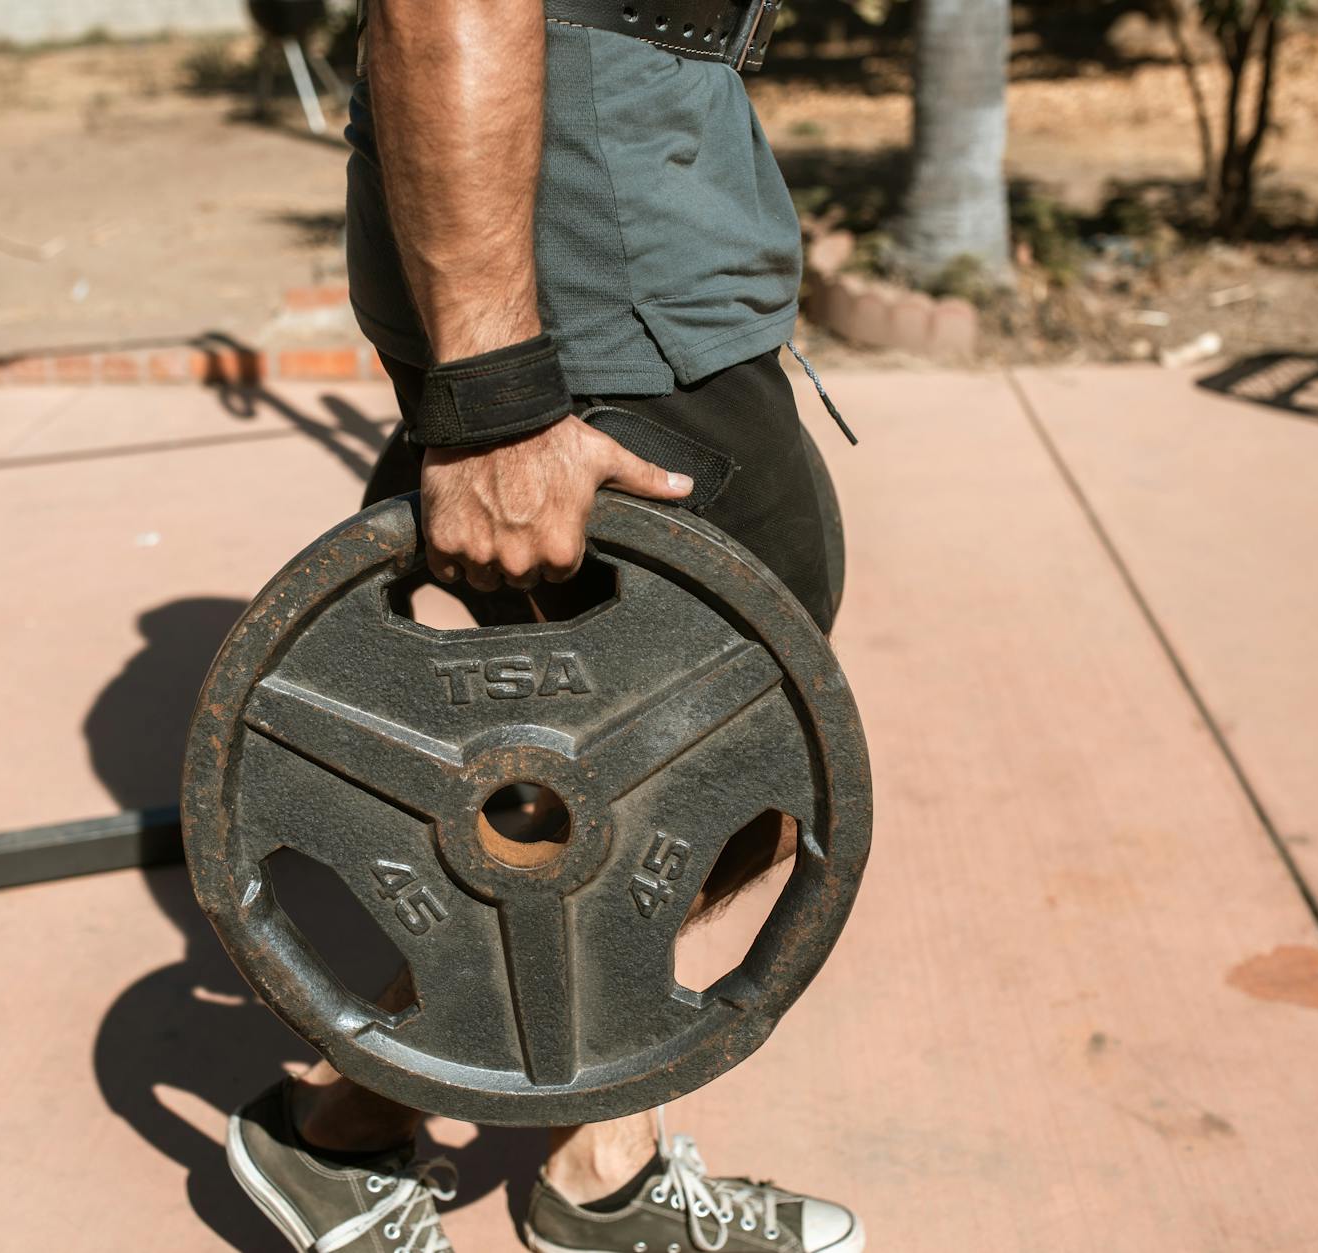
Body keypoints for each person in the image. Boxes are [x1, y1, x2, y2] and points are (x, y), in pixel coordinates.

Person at [225, 2, 862, 1250]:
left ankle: (556, 1153)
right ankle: (368, 1130)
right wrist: (492, 400)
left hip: (630, 185)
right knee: (732, 753)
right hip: (592, 234)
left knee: (641, 750)